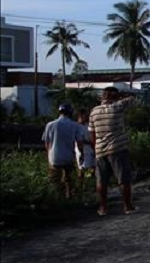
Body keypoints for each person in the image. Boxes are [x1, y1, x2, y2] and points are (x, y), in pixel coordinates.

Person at [89, 87, 137, 216]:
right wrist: (122, 94)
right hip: (118, 148)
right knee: (123, 179)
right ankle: (127, 206)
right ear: (115, 97)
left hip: (100, 150)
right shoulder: (118, 106)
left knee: (101, 181)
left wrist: (96, 147)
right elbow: (133, 98)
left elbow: (91, 133)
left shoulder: (94, 111)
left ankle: (103, 207)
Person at [42, 104, 81, 198]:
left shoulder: (50, 124)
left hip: (54, 156)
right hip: (68, 156)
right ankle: (69, 197)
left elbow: (47, 143)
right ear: (70, 112)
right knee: (68, 179)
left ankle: (56, 198)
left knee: (55, 180)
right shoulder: (75, 125)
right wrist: (81, 154)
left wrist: (49, 156)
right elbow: (79, 142)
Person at [74, 108, 96, 196]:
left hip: (91, 149)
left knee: (94, 168)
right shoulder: (76, 126)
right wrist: (89, 142)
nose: (87, 117)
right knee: (82, 169)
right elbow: (79, 140)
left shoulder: (88, 125)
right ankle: (80, 188)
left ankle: (90, 186)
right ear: (81, 116)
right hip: (82, 150)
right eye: (86, 116)